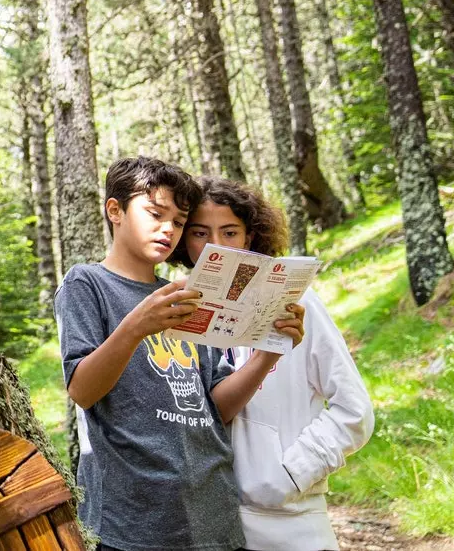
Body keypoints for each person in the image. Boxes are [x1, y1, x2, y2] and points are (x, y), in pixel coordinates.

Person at [55, 156, 304, 551]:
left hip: (213, 512)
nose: (168, 229)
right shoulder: (86, 283)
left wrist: (267, 355)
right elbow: (82, 391)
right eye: (155, 214)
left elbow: (216, 407)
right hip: (132, 522)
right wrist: (137, 325)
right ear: (115, 210)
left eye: (179, 221)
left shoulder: (191, 291)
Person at [171, 176, 374, 551]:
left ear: (249, 237)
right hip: (211, 526)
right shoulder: (174, 311)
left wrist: (291, 474)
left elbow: (354, 411)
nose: (216, 245)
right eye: (200, 233)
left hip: (292, 524)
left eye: (230, 232)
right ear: (184, 239)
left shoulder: (297, 304)